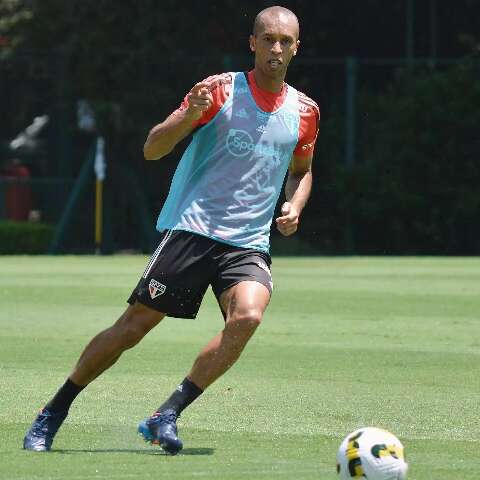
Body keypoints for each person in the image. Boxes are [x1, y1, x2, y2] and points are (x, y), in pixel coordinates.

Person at [23, 5, 319, 455]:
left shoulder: (305, 110)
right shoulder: (218, 91)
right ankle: (53, 412)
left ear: (297, 47)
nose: (276, 48)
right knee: (132, 328)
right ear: (252, 43)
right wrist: (186, 116)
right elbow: (152, 149)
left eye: (285, 41)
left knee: (248, 317)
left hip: (247, 243)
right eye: (267, 39)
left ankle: (168, 413)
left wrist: (294, 204)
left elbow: (302, 169)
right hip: (193, 230)